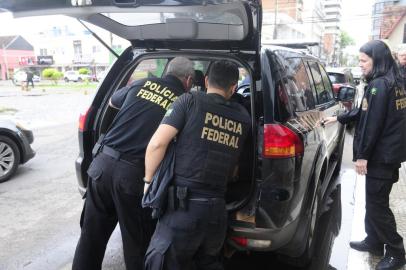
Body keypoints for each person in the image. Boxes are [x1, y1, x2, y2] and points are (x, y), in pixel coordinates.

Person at [72, 57, 195, 270]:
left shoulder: (140, 84)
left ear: (166, 71)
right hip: (133, 176)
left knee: (91, 237)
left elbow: (112, 103)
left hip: (101, 166)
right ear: (189, 80)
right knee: (136, 244)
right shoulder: (184, 100)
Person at [143, 60, 251, 270]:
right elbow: (236, 167)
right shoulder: (244, 117)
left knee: (161, 262)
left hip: (182, 210)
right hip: (217, 213)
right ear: (234, 88)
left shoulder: (188, 101)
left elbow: (157, 144)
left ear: (207, 80)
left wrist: (148, 181)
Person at [324, 40, 406, 270]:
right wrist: (339, 117)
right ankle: (374, 241)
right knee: (374, 202)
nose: (360, 65)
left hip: (380, 157)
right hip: (389, 155)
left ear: (376, 60)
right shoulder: (395, 81)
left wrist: (362, 156)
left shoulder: (379, 86)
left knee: (378, 206)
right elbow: (363, 112)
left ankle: (396, 251)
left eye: (363, 60)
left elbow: (372, 124)